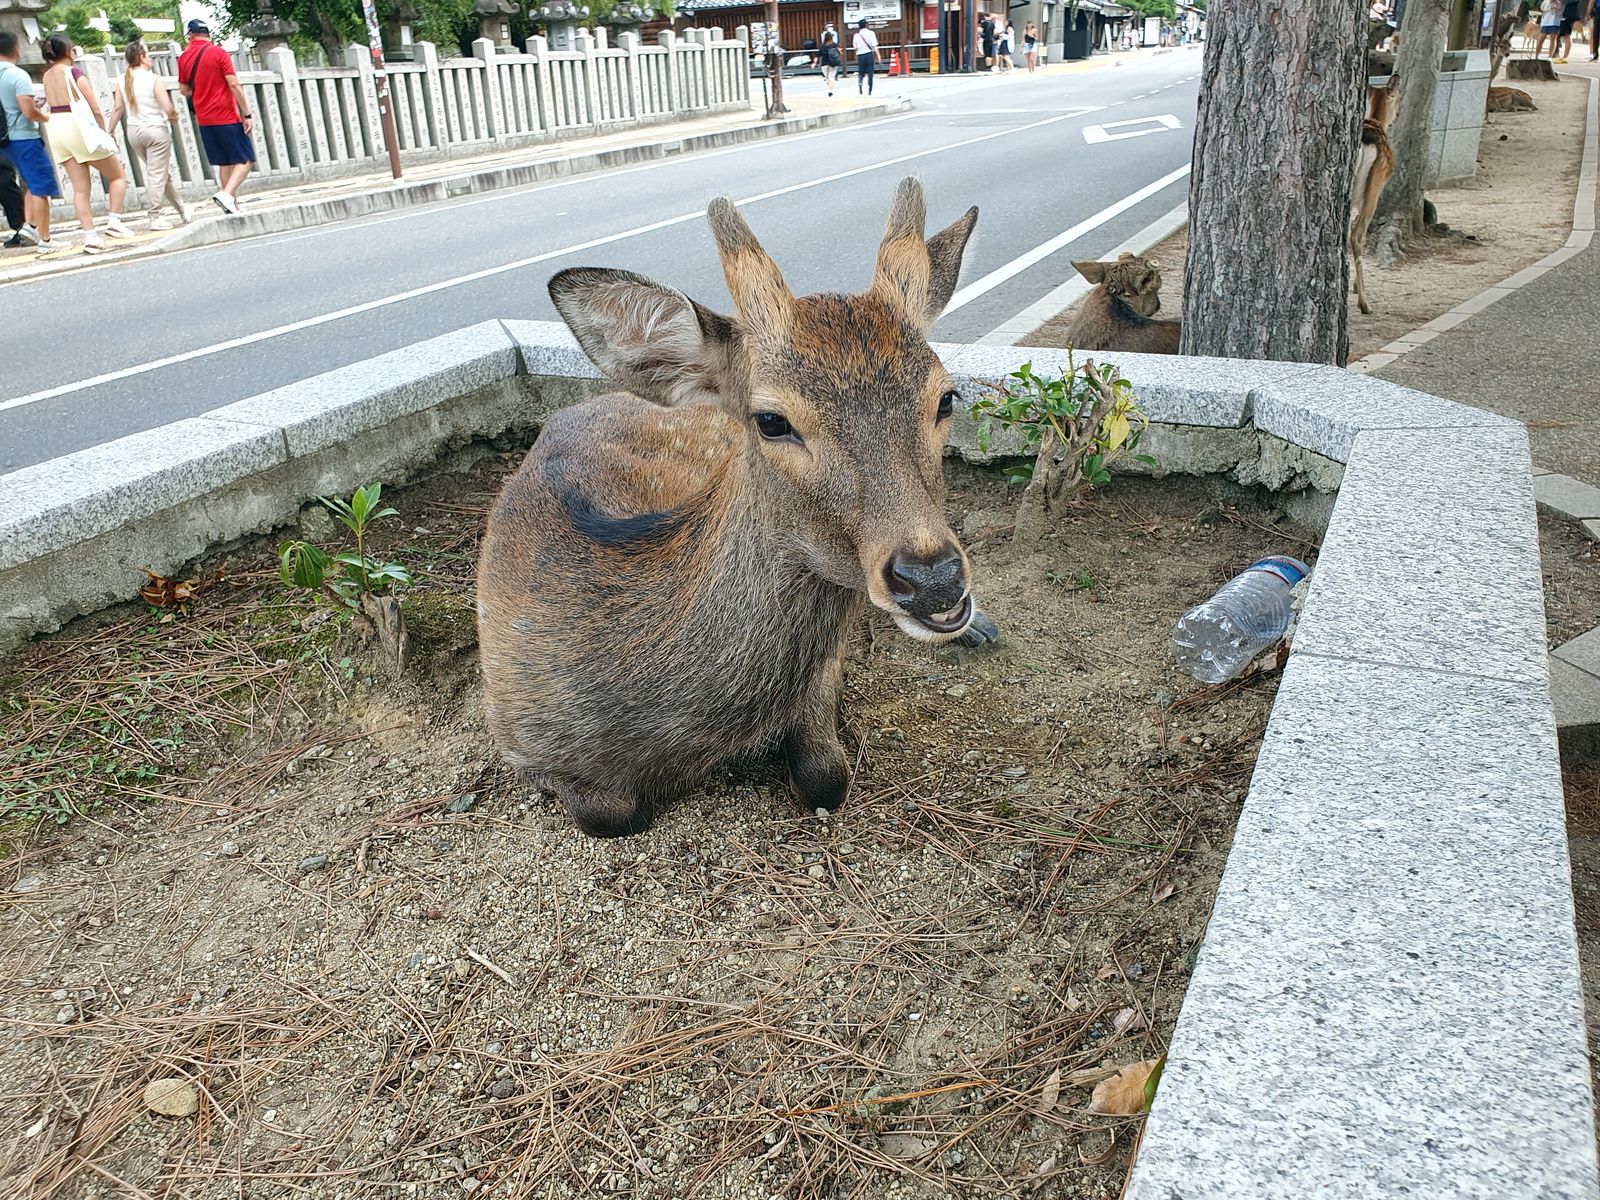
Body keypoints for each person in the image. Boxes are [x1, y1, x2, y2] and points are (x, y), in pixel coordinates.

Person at [40, 34, 132, 254]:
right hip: (77, 126)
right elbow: (95, 108)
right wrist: (104, 132)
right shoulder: (74, 73)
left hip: (57, 128)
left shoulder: (46, 77)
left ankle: (90, 236)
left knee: (80, 189)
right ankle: (114, 220)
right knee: (117, 176)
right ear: (69, 51)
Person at [106, 41, 186, 229]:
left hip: (134, 132)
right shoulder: (153, 79)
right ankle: (155, 215)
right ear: (141, 57)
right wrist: (173, 117)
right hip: (155, 130)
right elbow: (167, 106)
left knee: (160, 174)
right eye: (148, 55)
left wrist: (110, 130)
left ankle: (182, 209)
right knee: (157, 174)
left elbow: (118, 108)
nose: (150, 59)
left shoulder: (122, 79)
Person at [178, 19, 254, 214]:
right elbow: (234, 84)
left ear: (190, 35)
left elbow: (184, 89)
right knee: (245, 161)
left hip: (204, 119)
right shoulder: (219, 53)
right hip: (225, 115)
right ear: (208, 34)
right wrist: (247, 114)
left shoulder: (184, 57)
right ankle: (227, 195)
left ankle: (232, 206)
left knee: (225, 162)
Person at [0, 30, 51, 250]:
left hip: (5, 137)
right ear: (16, 48)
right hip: (22, 135)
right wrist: (45, 116)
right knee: (39, 185)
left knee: (28, 183)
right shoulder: (17, 75)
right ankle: (46, 238)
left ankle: (28, 228)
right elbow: (28, 111)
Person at [852, 19, 878, 95]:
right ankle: (870, 90)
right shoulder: (871, 33)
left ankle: (860, 83)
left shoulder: (856, 35)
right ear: (866, 25)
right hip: (869, 54)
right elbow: (874, 45)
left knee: (861, 72)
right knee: (870, 73)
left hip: (860, 55)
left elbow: (855, 47)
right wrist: (878, 56)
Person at [817, 28, 841, 96]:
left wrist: (814, 63)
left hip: (824, 64)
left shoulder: (822, 46)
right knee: (831, 77)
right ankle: (830, 90)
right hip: (833, 63)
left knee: (827, 78)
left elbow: (818, 55)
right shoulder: (834, 44)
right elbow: (839, 52)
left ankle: (829, 89)